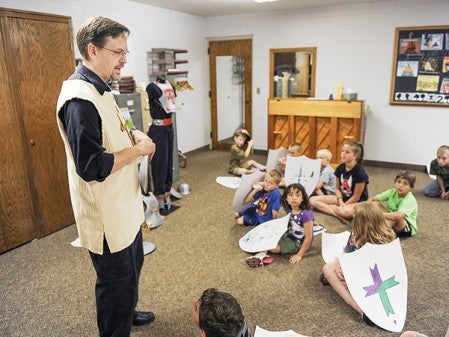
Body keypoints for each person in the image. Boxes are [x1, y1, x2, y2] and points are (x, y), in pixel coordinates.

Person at [56, 17, 156, 336]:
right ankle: (116, 326)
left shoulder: (104, 88)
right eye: (118, 52)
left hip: (125, 205)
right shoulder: (79, 100)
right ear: (93, 50)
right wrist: (139, 152)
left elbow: (119, 125)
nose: (124, 59)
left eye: (126, 52)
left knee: (133, 269)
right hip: (105, 216)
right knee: (115, 285)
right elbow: (92, 167)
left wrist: (137, 134)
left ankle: (127, 313)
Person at [321, 201, 397, 326]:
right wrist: (340, 264)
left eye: (355, 219)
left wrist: (350, 275)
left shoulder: (384, 240)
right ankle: (353, 300)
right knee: (328, 268)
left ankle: (359, 309)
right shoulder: (355, 234)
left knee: (333, 274)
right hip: (354, 269)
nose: (352, 221)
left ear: (363, 223)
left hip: (373, 278)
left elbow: (385, 270)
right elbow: (347, 251)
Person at [310, 141, 369, 223]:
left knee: (345, 212)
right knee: (312, 200)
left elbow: (356, 197)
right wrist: (341, 202)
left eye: (347, 152)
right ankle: (337, 215)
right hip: (342, 197)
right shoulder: (340, 168)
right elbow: (337, 189)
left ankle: (330, 208)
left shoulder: (360, 173)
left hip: (357, 201)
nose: (343, 154)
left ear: (355, 156)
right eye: (342, 151)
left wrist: (343, 205)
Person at [146, 76, 178, 215]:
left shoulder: (171, 85)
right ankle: (159, 195)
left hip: (169, 127)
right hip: (158, 130)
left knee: (168, 162)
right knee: (159, 163)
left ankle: (166, 191)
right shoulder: (152, 87)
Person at [371, 171, 418, 237]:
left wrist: (377, 214)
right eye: (399, 182)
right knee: (374, 203)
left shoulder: (410, 199)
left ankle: (378, 234)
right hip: (389, 219)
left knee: (395, 217)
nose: (400, 185)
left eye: (405, 184)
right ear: (394, 182)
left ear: (411, 188)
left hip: (404, 228)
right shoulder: (392, 191)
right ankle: (381, 229)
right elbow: (372, 199)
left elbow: (398, 216)